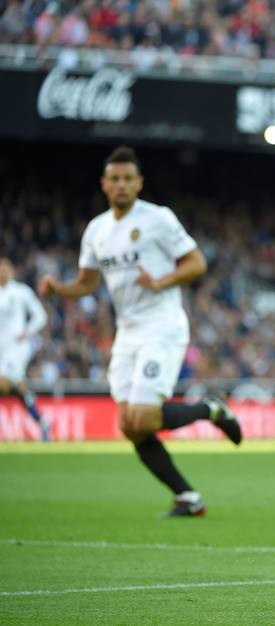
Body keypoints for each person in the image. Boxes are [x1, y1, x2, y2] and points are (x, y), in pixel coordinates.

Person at [38, 146, 243, 517]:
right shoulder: (97, 230)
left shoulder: (158, 219)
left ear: (139, 183)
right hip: (127, 333)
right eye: (114, 179)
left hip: (162, 326)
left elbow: (196, 263)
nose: (121, 185)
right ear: (104, 184)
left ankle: (211, 408)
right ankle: (188, 497)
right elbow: (86, 284)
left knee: (144, 418)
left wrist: (162, 281)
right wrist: (58, 289)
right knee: (130, 426)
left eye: (128, 179)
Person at [0, 257, 50, 441]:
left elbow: (41, 316)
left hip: (17, 349)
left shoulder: (21, 292)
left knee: (3, 384)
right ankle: (42, 421)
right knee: (19, 389)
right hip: (1, 351)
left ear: (11, 270)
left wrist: (26, 331)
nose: (2, 271)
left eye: (5, 268)